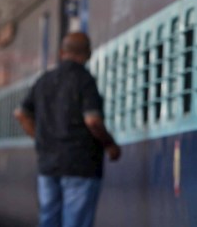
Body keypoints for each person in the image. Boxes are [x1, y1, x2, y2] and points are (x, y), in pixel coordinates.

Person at [14, 32, 121, 227]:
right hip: (81, 164)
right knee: (76, 221)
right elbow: (93, 121)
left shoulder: (43, 80)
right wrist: (110, 145)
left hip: (48, 163)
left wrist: (39, 137)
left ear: (62, 52)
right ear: (88, 54)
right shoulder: (85, 80)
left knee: (48, 217)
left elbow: (21, 113)